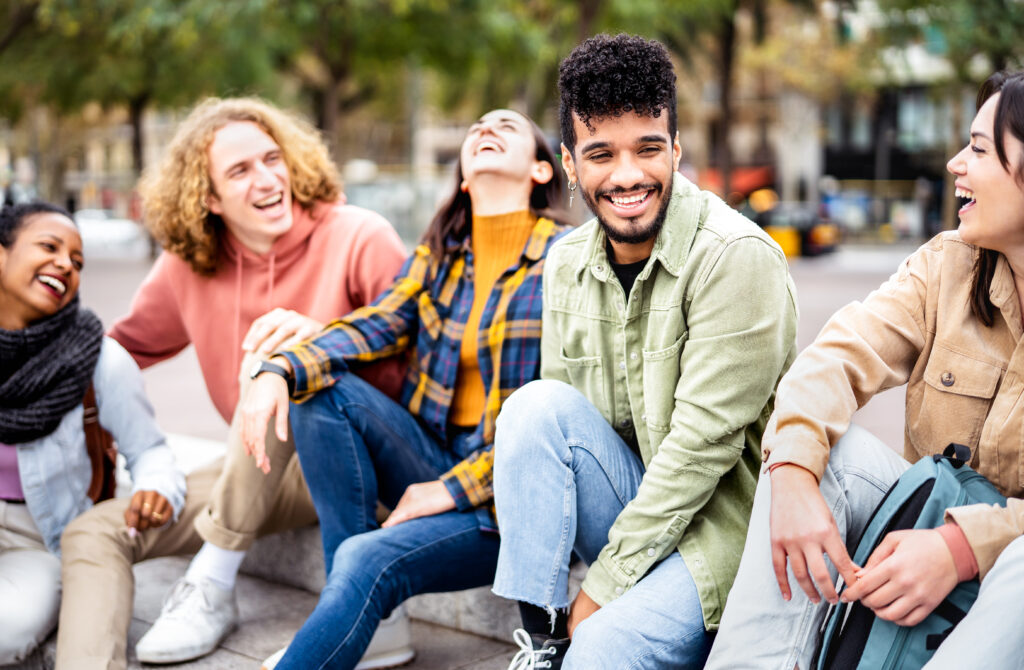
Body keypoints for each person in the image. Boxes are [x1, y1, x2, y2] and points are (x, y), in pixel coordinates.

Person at [54, 97, 407, 669]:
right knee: (94, 533)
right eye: (240, 171)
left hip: (361, 467)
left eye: (272, 159)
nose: (267, 179)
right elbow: (116, 352)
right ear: (208, 198)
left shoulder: (360, 236)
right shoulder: (190, 264)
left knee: (281, 361)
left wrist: (322, 344)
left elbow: (418, 366)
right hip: (259, 465)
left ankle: (212, 583)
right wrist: (89, 421)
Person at [490, 34, 799, 670]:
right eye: (601, 153)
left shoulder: (734, 257)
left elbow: (699, 452)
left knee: (598, 652)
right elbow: (565, 439)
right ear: (571, 165)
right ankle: (543, 644)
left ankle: (584, 642)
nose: (628, 175)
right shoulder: (565, 263)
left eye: (648, 149)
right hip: (637, 511)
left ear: (677, 151)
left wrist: (602, 588)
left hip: (727, 536)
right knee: (532, 408)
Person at [705, 70, 1024, 670]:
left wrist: (961, 546)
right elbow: (836, 356)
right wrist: (794, 474)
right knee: (826, 450)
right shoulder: (947, 268)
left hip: (1010, 594)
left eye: (979, 149)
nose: (957, 163)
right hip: (916, 550)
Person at [239, 108, 572, 670]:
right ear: (464, 175)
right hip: (434, 459)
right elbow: (374, 324)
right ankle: (362, 611)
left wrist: (449, 489)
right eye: (476, 130)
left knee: (367, 559)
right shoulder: (440, 256)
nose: (484, 130)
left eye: (506, 127)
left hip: (513, 501)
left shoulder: (566, 259)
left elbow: (564, 420)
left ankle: (356, 599)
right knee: (320, 391)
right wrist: (279, 369)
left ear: (541, 171)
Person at [0, 202, 185, 664]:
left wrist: (156, 489)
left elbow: (151, 453)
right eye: (49, 246)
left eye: (77, 261)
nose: (65, 263)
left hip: (40, 539)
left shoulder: (100, 359)